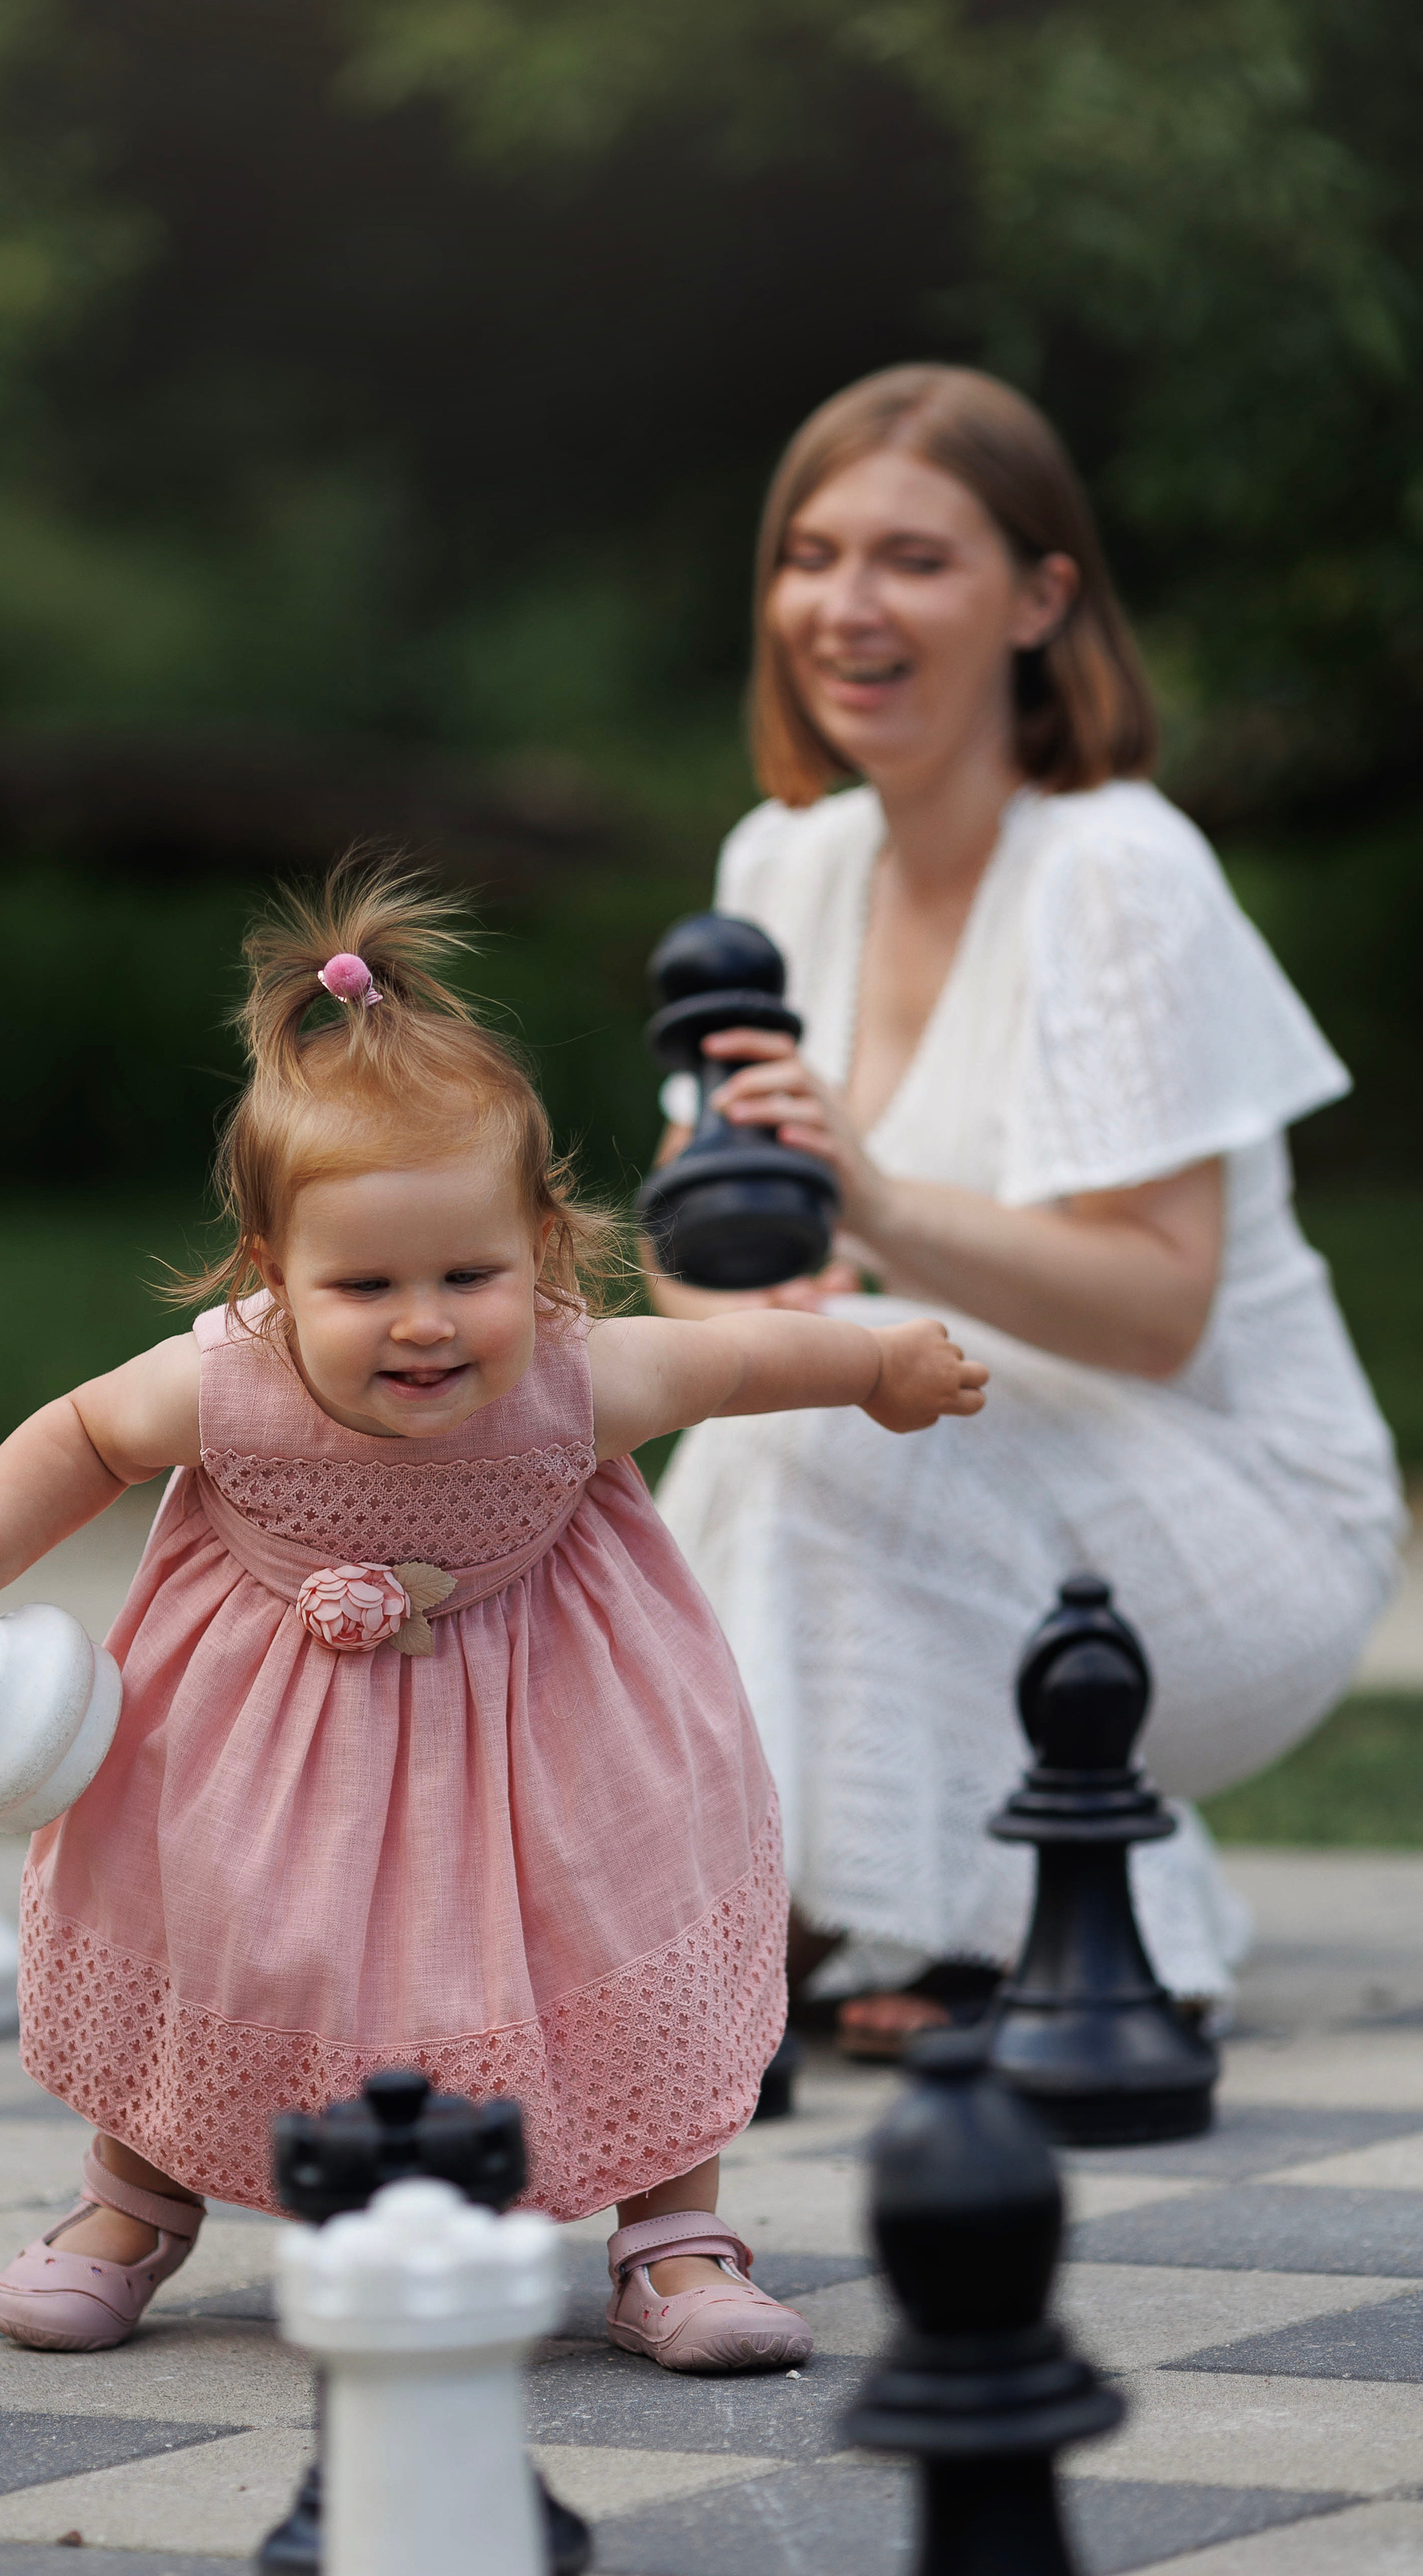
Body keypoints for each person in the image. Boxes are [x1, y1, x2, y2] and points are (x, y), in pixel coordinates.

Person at [0, 869, 985, 2370]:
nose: (422, 1320)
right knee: (213, 1925)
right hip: (258, 1733)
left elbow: (730, 1364)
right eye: (365, 1284)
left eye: (469, 1273)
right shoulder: (223, 1381)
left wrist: (875, 1367)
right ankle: (132, 2201)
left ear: (537, 1244)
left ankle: (671, 2235)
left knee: (623, 1903)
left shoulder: (575, 1376)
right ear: (273, 1275)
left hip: (558, 1717)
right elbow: (80, 1438)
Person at [649, 364, 1405, 2058]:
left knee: (797, 1423)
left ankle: (751, 1928)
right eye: (811, 553)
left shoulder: (1116, 869)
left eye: (913, 559)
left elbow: (1156, 1306)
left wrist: (869, 1205)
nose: (846, 606)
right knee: (747, 1423)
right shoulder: (777, 866)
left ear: (1039, 596)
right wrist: (743, 1327)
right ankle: (800, 1912)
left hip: (1238, 1522)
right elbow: (698, 1251)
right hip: (950, 1459)